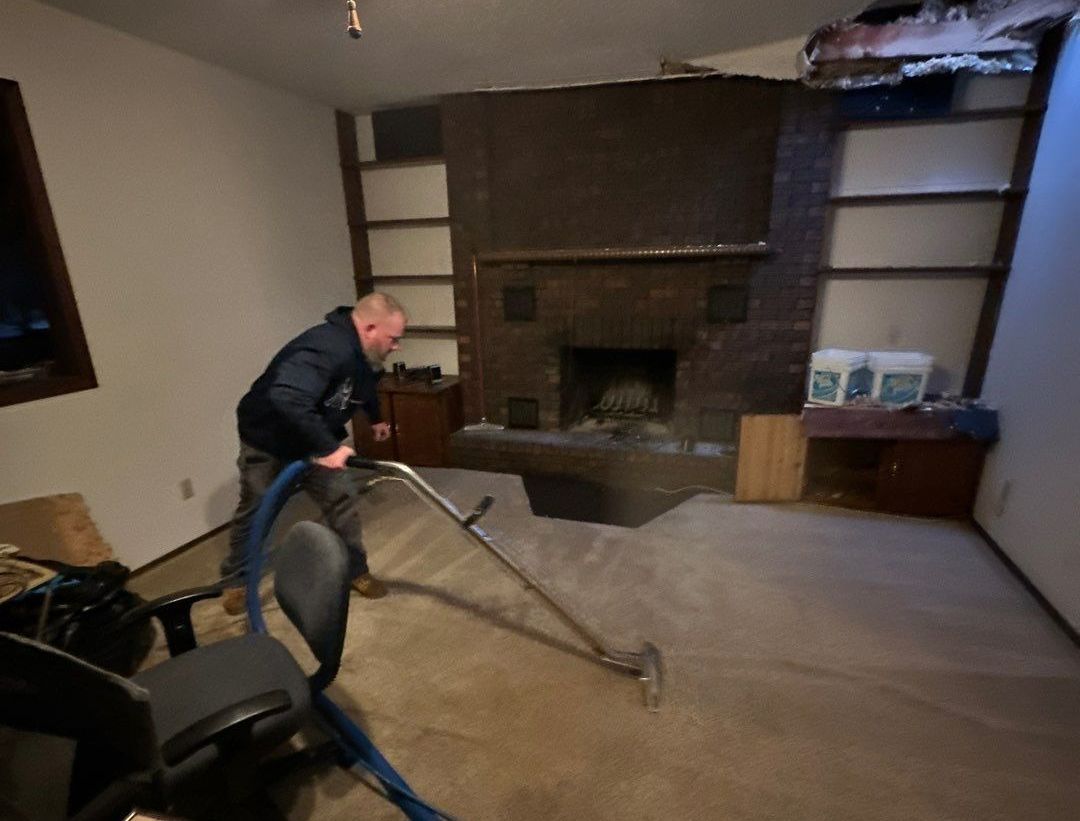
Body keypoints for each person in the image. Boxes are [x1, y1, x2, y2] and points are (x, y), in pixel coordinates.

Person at [219, 293, 407, 615]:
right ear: (371, 327)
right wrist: (329, 448)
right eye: (393, 338)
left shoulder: (366, 355)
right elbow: (286, 396)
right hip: (269, 439)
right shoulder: (326, 347)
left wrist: (374, 418)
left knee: (342, 502)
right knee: (258, 508)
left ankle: (355, 571)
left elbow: (364, 386)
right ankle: (237, 580)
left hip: (313, 436)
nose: (396, 346)